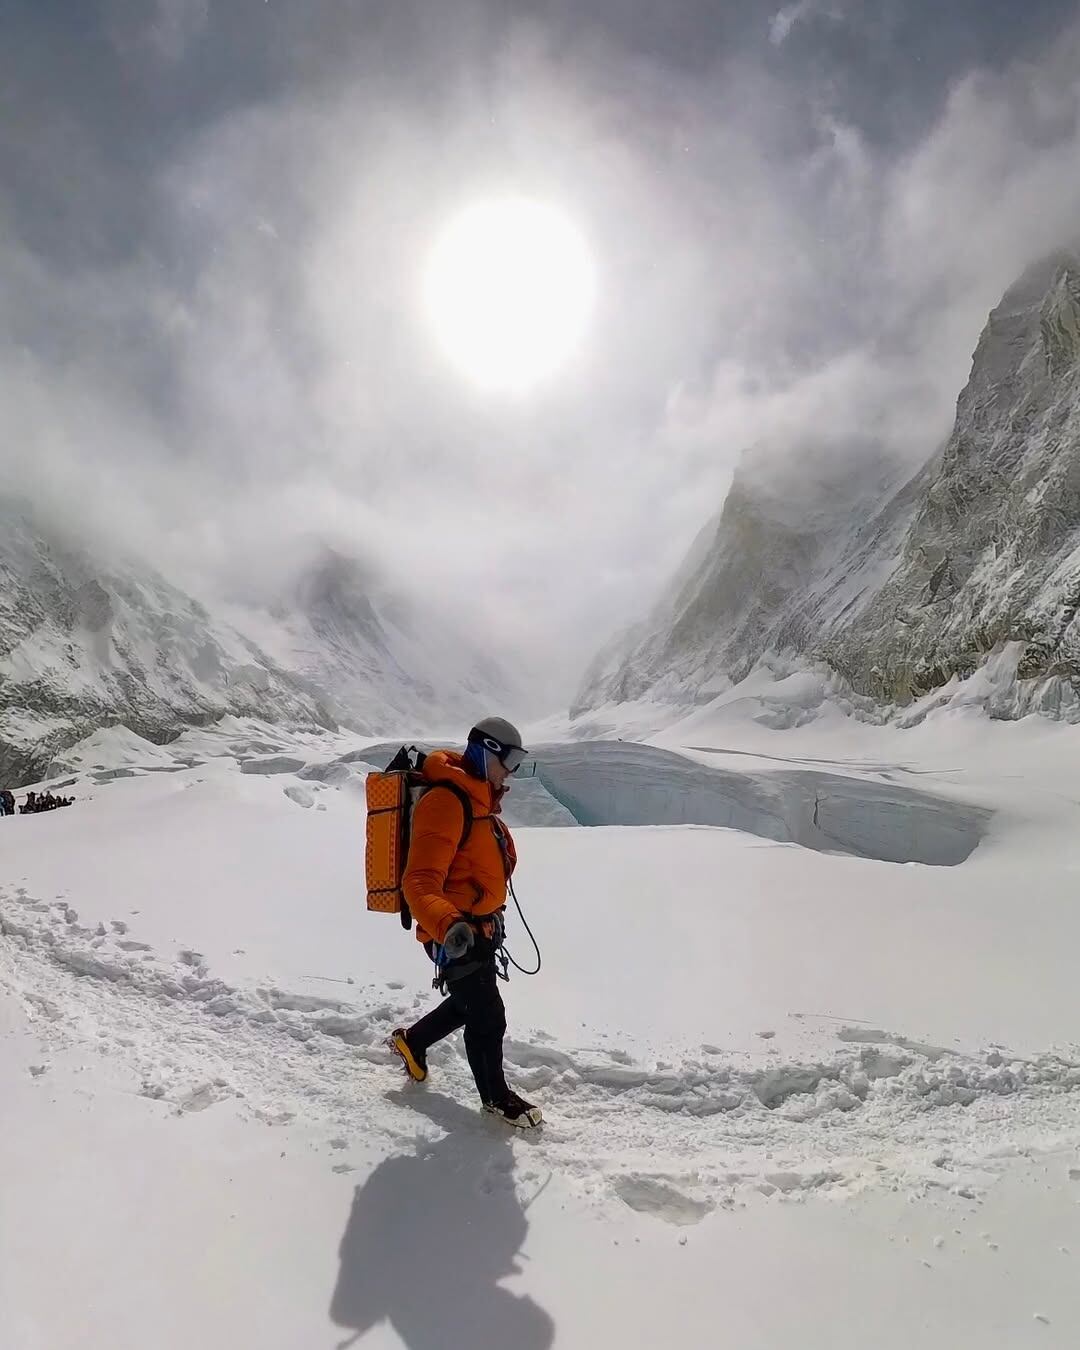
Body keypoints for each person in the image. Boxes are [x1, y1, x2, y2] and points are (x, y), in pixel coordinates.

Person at [389, 717, 542, 1129]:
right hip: (454, 934)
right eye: (510, 758)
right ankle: (497, 1099)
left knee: (468, 1002)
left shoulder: (478, 801)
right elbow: (418, 881)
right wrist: (450, 925)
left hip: (481, 928)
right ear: (486, 751)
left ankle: (412, 1041)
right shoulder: (447, 801)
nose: (512, 769)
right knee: (488, 1016)